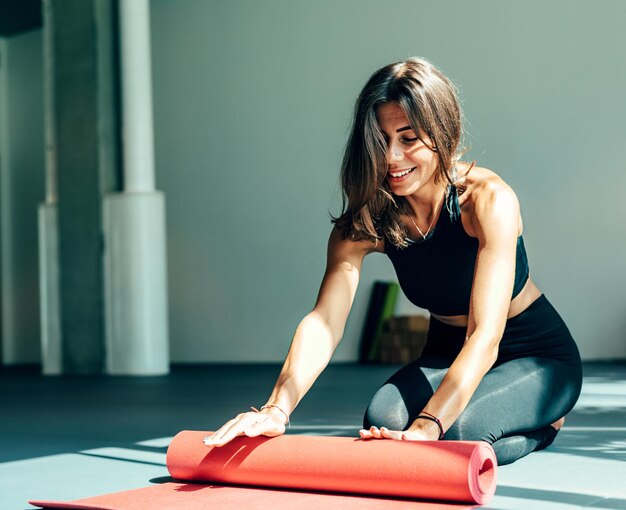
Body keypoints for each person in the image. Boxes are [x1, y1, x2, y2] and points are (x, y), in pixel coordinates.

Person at [204, 57, 583, 465]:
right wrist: (277, 408)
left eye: (408, 138)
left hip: (533, 353)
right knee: (381, 420)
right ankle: (484, 423)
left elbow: (485, 337)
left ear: (442, 132)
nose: (391, 158)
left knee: (456, 430)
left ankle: (548, 422)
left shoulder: (489, 201)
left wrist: (427, 426)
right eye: (380, 141)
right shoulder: (370, 219)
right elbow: (324, 322)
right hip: (445, 352)